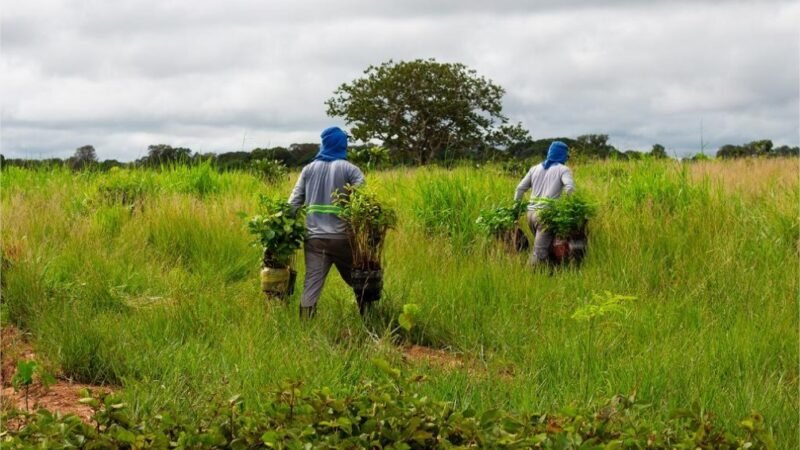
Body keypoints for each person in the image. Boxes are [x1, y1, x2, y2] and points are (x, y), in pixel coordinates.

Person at [288, 126, 365, 318]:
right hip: (343, 239)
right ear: (342, 144)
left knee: (312, 283)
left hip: (314, 240)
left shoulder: (308, 170)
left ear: (325, 144)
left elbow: (292, 204)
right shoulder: (351, 170)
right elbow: (364, 201)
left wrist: (283, 231)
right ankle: (369, 318)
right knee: (359, 280)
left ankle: (305, 328)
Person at [514, 141, 575, 267]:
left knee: (546, 247)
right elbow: (569, 188)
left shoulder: (534, 169)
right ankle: (529, 277)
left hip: (530, 215)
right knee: (539, 252)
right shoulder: (563, 169)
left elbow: (520, 189)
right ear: (563, 156)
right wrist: (570, 208)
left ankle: (549, 273)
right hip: (545, 216)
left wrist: (516, 209)